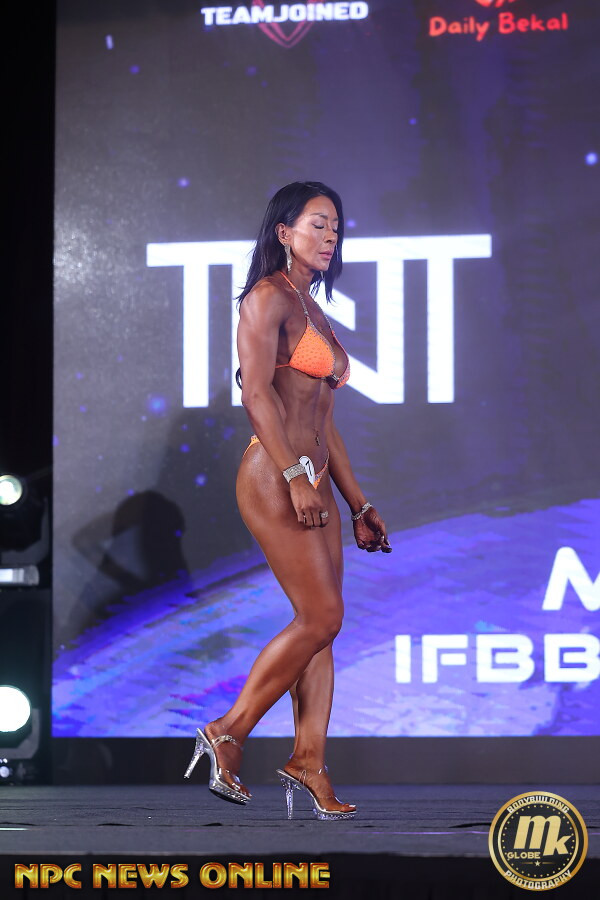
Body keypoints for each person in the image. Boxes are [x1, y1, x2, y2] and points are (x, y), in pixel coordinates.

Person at [184, 181, 391, 820]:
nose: (331, 237)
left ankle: (309, 761)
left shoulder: (311, 306)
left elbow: (324, 421)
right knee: (321, 616)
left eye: (336, 227)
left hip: (314, 474)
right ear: (284, 231)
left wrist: (358, 503)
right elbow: (256, 396)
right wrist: (297, 475)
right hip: (276, 475)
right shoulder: (267, 297)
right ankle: (228, 730)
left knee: (323, 627)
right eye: (318, 224)